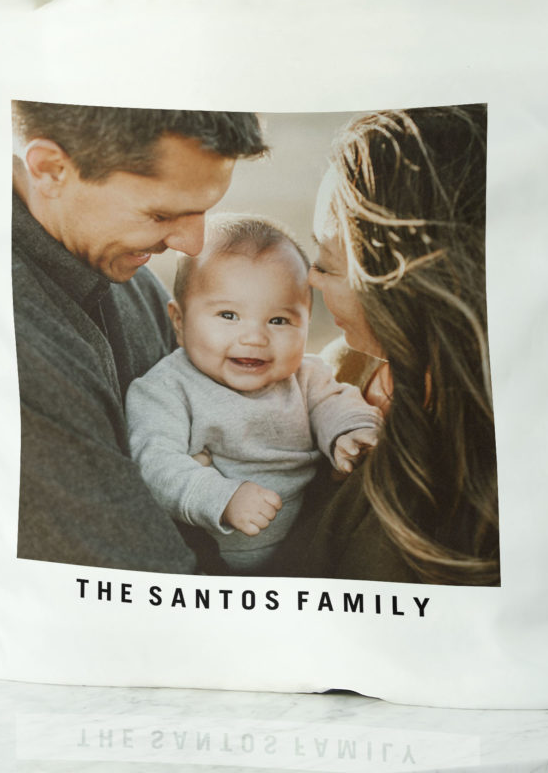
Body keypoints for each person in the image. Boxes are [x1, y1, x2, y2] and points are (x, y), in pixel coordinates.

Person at [11, 102, 267, 571]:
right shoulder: (18, 346)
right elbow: (150, 576)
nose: (192, 244)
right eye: (162, 215)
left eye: (203, 212)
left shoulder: (119, 265)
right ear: (50, 169)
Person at [290, 106, 501, 586]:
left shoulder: (479, 464)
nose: (310, 279)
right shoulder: (336, 371)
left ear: (407, 282)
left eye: (328, 264)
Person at [123, 215, 382, 572]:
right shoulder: (166, 388)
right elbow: (155, 463)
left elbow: (335, 401)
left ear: (306, 323)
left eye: (279, 321)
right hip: (204, 558)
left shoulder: (304, 376)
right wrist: (223, 497)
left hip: (299, 549)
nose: (255, 338)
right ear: (179, 321)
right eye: (228, 315)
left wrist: (351, 431)